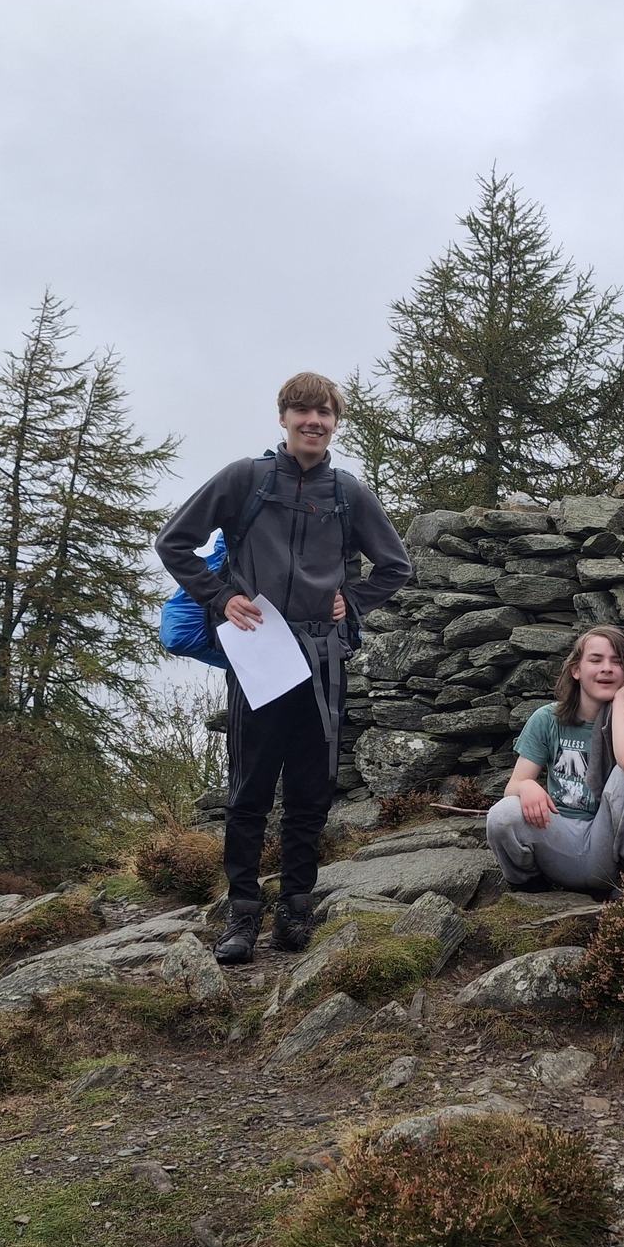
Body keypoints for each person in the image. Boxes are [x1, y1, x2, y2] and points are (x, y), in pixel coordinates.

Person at [155, 371, 412, 963]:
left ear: (335, 422)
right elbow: (174, 541)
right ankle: (240, 917)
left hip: (323, 656)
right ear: (283, 418)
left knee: (310, 791)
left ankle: (295, 910)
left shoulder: (348, 492)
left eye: (323, 413)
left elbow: (395, 567)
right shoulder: (245, 478)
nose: (313, 422)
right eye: (302, 411)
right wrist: (220, 598)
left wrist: (355, 600)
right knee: (248, 791)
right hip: (259, 654)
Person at [486, 626, 624, 895]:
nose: (607, 668)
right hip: (558, 839)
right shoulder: (547, 718)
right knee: (502, 814)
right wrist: (526, 787)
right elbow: (513, 786)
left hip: (608, 848)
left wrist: (619, 704)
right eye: (596, 660)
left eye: (617, 662)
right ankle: (529, 888)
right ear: (576, 670)